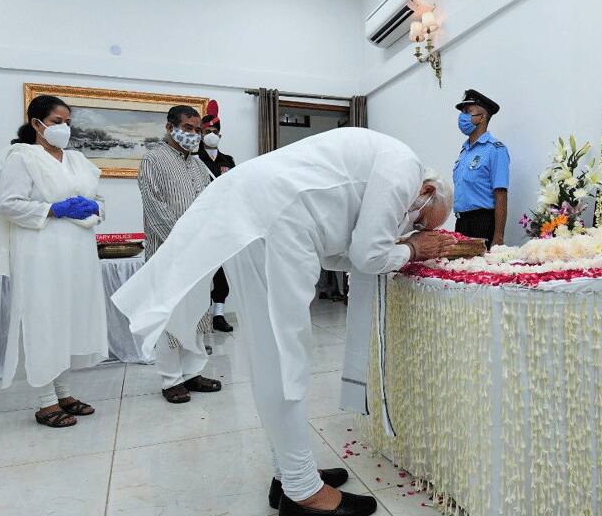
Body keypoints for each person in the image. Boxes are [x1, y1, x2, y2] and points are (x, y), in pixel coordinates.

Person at [112, 128, 457, 516]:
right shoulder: (405, 167)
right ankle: (303, 493)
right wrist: (412, 249)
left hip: (268, 219)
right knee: (282, 356)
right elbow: (367, 256)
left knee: (273, 354)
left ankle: (290, 474)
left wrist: (402, 247)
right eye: (421, 221)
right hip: (274, 222)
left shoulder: (388, 164)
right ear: (426, 190)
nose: (414, 228)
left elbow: (338, 253)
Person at [0, 95, 108, 428]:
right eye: (57, 121)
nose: (64, 128)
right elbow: (9, 204)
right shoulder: (22, 157)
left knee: (68, 320)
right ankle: (44, 402)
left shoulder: (78, 160)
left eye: (68, 122)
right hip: (39, 252)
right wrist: (53, 209)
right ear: (37, 124)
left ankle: (64, 392)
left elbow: (98, 199)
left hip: (78, 252)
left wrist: (96, 208)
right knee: (43, 320)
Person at [138, 104, 223, 404]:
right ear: (169, 127)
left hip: (199, 256)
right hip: (168, 254)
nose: (194, 135)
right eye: (187, 128)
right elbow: (155, 206)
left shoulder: (200, 165)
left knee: (198, 314)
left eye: (198, 130)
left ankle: (192, 372)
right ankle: (171, 380)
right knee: (171, 318)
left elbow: (211, 205)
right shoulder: (153, 159)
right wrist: (182, 243)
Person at [453, 89, 509, 248]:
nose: (462, 116)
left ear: (482, 117)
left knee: (478, 271)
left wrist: (498, 236)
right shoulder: (465, 151)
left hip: (482, 223)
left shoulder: (495, 149)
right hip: (461, 222)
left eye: (468, 111)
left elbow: (501, 194)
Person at [199, 101, 235, 333]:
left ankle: (218, 315)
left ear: (219, 134)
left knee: (222, 274)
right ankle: (199, 317)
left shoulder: (228, 161)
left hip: (221, 222)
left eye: (214, 132)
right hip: (200, 222)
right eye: (206, 132)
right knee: (201, 273)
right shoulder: (193, 159)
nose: (211, 136)